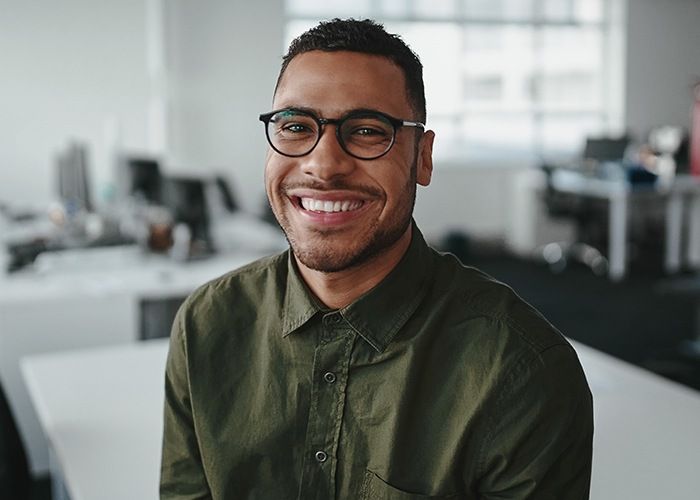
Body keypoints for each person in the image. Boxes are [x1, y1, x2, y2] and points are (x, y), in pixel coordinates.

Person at [160, 18, 593, 500]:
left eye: (367, 131)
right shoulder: (206, 325)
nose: (323, 164)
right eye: (296, 126)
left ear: (422, 158)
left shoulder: (520, 370)